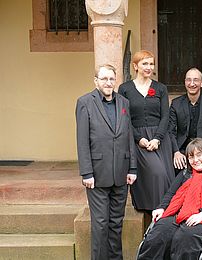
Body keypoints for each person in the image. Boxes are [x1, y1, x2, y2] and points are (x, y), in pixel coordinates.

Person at [75, 64, 137, 260]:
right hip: (97, 174)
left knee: (116, 223)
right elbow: (82, 140)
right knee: (101, 224)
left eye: (111, 79)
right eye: (104, 79)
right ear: (96, 81)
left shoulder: (124, 103)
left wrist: (132, 167)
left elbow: (129, 136)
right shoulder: (85, 102)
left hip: (121, 173)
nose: (108, 83)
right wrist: (86, 173)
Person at [137, 138, 202, 260]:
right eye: (191, 157)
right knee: (159, 232)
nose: (196, 160)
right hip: (182, 214)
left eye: (199, 155)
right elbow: (171, 193)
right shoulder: (185, 174)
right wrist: (161, 207)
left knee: (185, 236)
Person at [118, 50, 175, 212]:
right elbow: (124, 118)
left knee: (166, 176)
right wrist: (138, 138)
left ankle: (165, 211)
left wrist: (157, 138)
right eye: (145, 63)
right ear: (135, 66)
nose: (149, 67)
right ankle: (151, 208)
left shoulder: (160, 88)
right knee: (156, 173)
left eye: (151, 63)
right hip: (137, 139)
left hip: (159, 139)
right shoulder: (125, 89)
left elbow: (165, 116)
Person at [169, 68, 202, 172]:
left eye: (196, 80)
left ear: (201, 83)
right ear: (185, 82)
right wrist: (176, 152)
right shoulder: (176, 103)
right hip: (182, 150)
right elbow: (170, 131)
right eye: (188, 80)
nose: (192, 84)